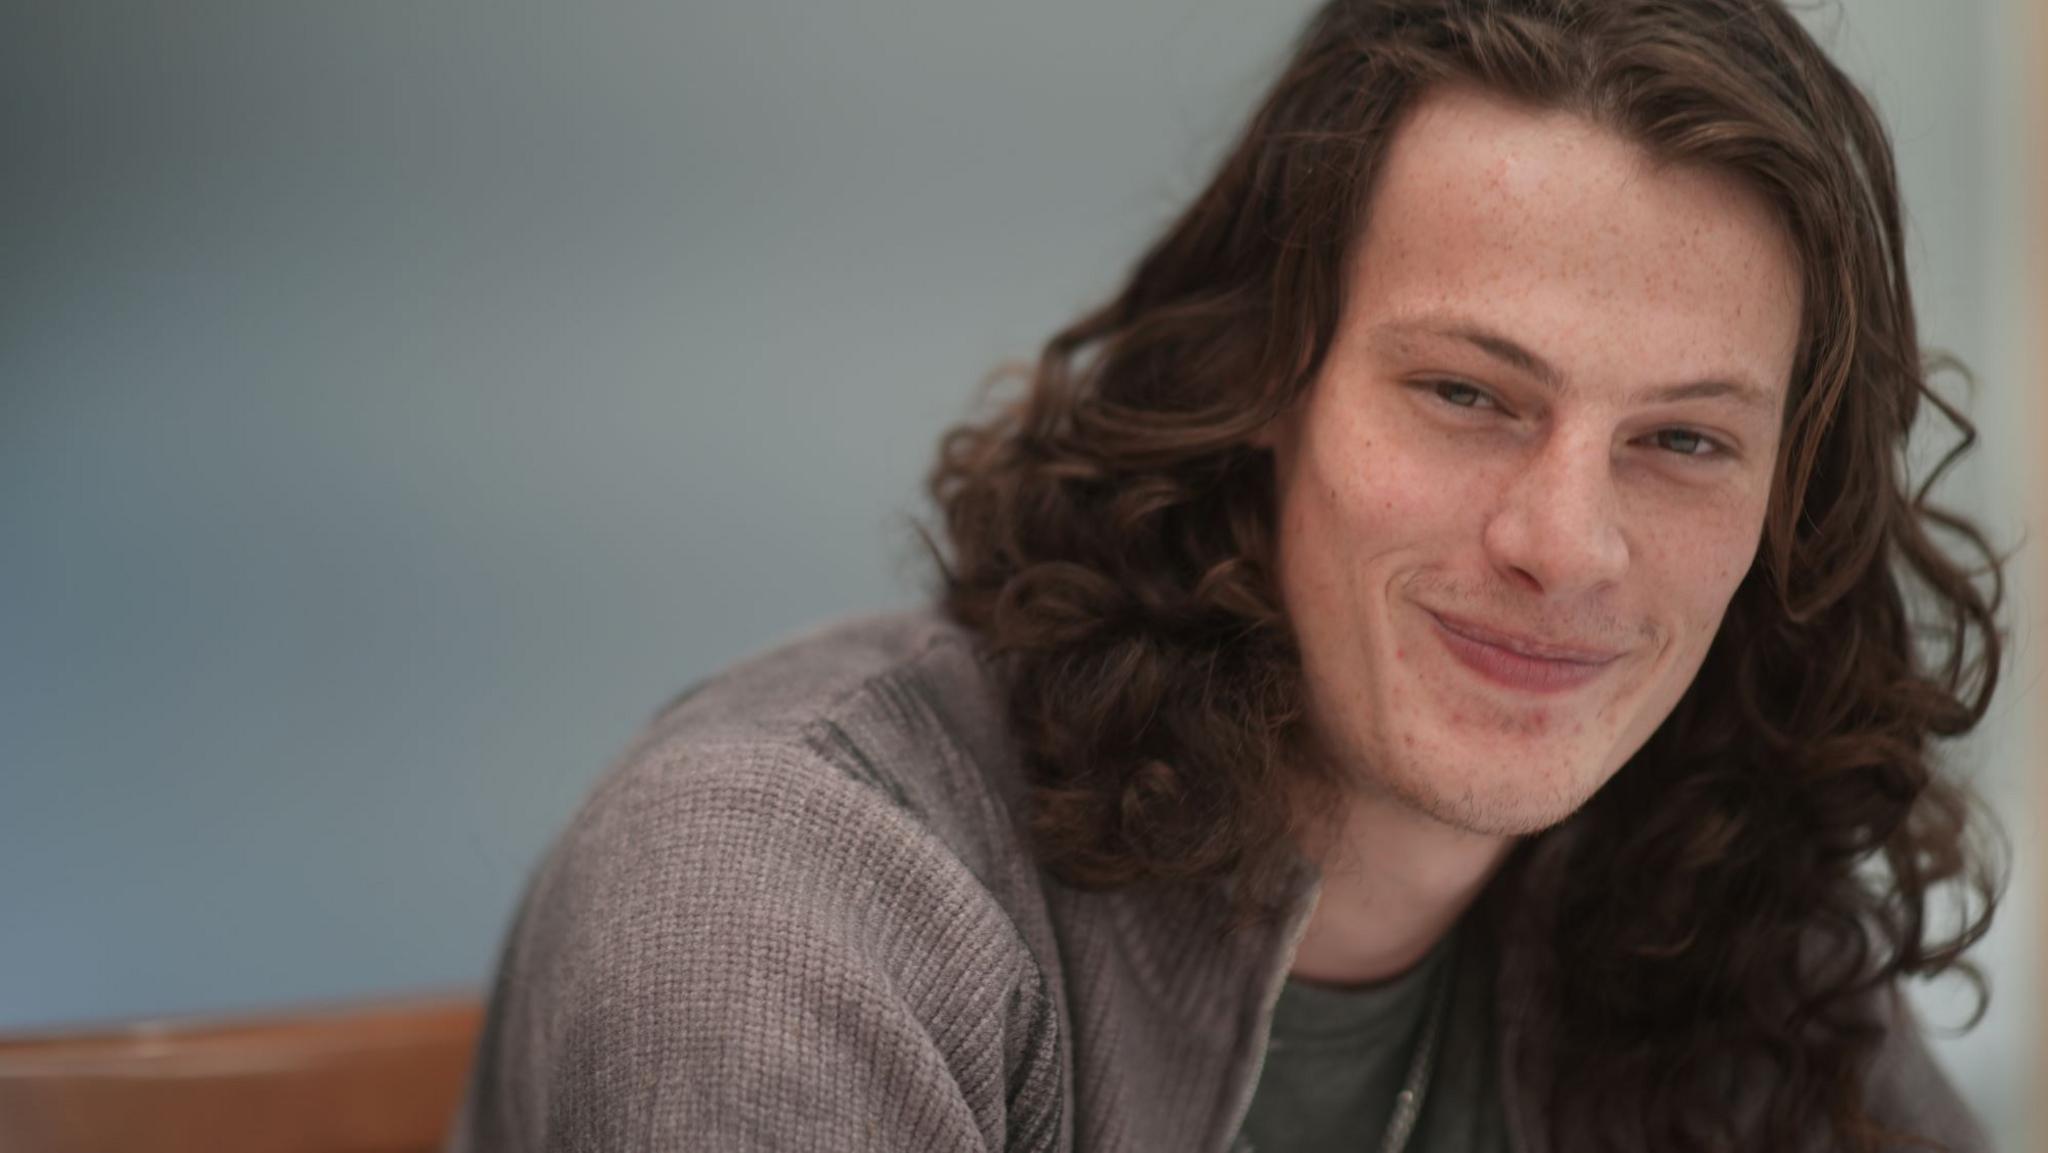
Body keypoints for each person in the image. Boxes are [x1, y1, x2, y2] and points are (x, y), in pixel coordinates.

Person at [449, 1, 2007, 1150]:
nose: (1567, 542)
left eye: (1683, 440)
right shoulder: (782, 887)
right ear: (1263, 381)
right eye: (1468, 393)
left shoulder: (1715, 915)